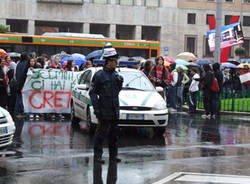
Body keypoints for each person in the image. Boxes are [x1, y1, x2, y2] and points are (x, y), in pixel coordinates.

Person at [89, 47, 123, 167]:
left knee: (114, 134)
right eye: (115, 60)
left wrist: (120, 82)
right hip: (103, 109)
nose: (116, 63)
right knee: (101, 134)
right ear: (108, 61)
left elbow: (118, 91)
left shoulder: (116, 75)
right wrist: (97, 109)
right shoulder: (99, 75)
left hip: (114, 109)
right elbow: (92, 93)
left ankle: (113, 156)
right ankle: (98, 156)